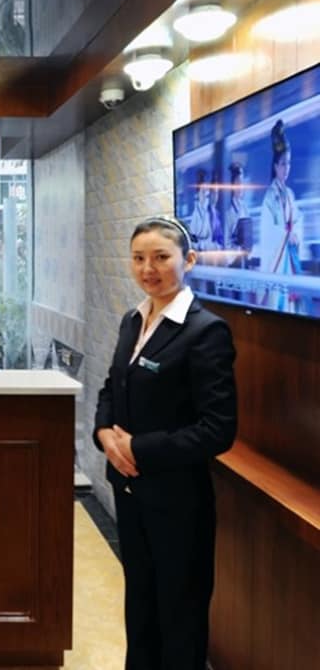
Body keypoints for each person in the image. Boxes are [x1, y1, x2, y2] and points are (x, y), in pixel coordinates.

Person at [93, 215, 237, 670]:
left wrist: (138, 448)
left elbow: (218, 428)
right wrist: (104, 434)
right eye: (138, 258)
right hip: (130, 492)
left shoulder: (206, 331)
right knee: (141, 608)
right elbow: (111, 387)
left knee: (179, 617)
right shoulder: (132, 319)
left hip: (177, 501)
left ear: (188, 260)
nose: (147, 268)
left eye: (160, 257)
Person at [258, 119, 303, 274]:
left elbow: (297, 219)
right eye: (283, 164)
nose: (286, 168)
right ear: (275, 166)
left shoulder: (290, 194)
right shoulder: (270, 197)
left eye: (288, 163)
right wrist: (286, 235)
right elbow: (268, 230)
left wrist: (295, 233)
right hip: (278, 258)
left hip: (289, 254)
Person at [224, 162, 251, 267]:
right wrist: (237, 249)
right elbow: (226, 243)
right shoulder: (228, 211)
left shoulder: (244, 207)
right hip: (233, 261)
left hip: (245, 258)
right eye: (238, 183)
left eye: (242, 182)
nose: (241, 186)